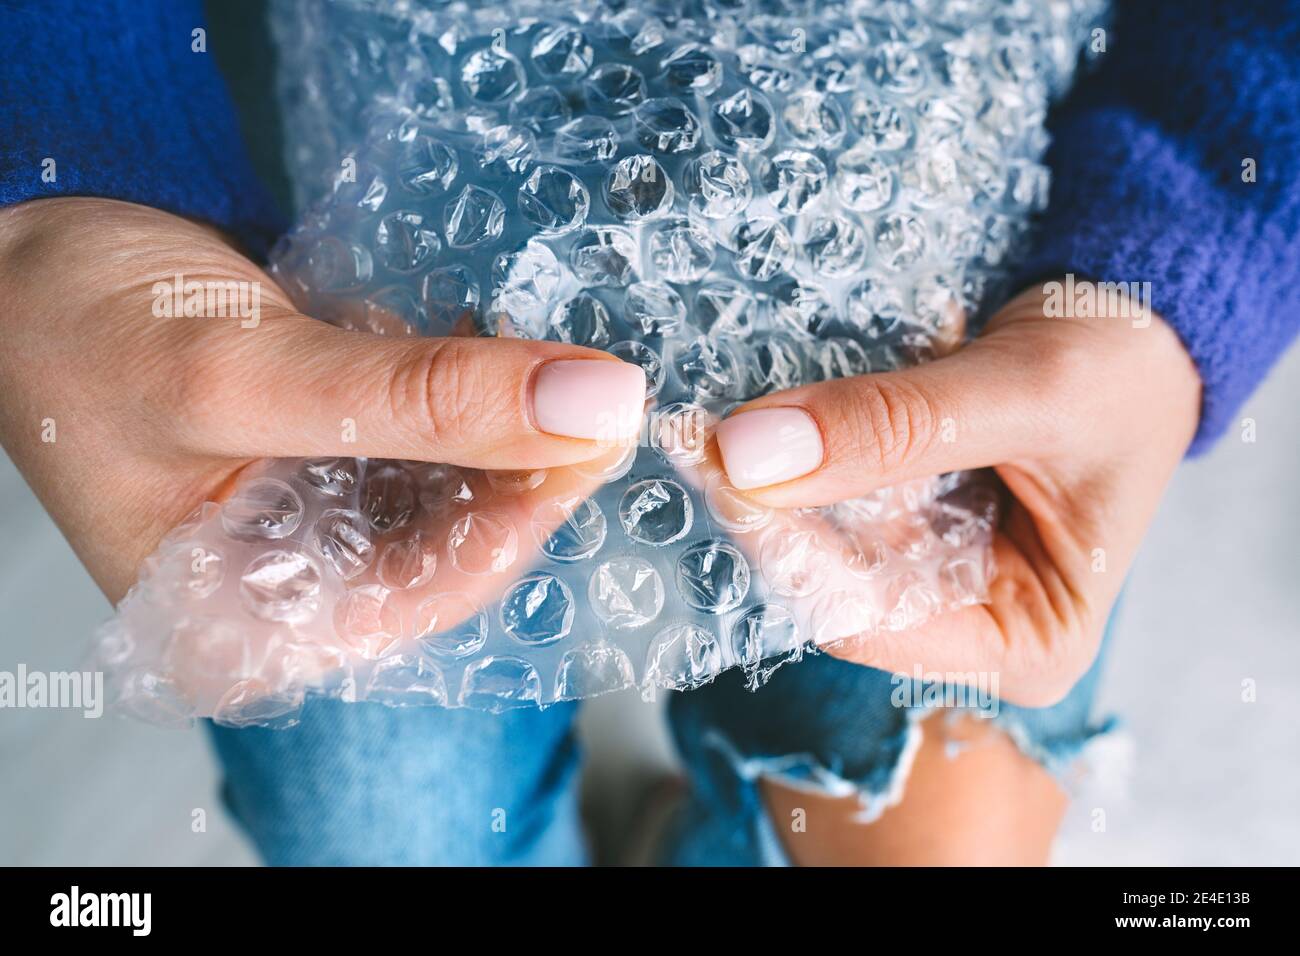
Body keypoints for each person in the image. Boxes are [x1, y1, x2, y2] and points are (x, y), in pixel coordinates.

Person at [1, 0, 1297, 865]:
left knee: (927, 830)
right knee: (384, 832)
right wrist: (69, 170)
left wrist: (1191, 254)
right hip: (368, 252)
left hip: (942, 281)